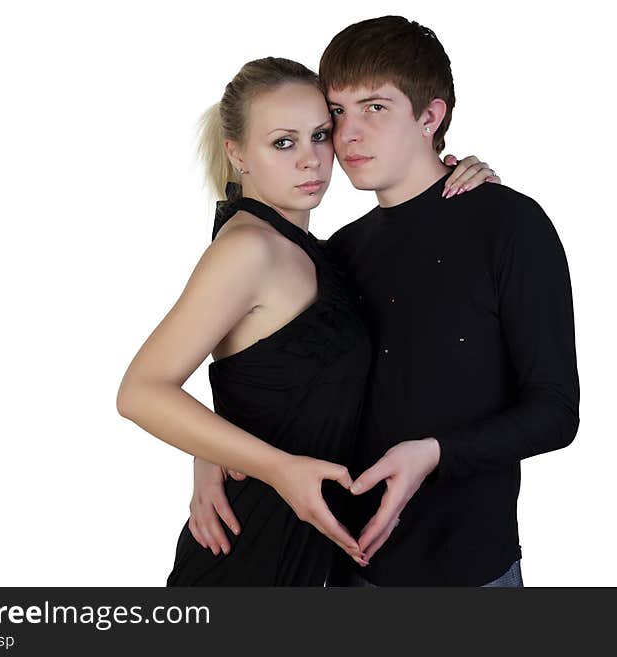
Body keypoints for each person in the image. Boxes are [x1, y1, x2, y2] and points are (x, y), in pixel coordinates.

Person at [190, 16, 580, 588]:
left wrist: (435, 453)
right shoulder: (338, 253)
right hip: (342, 568)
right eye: (337, 114)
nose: (347, 136)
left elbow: (555, 411)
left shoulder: (510, 224)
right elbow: (266, 373)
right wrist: (206, 456)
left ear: (431, 117)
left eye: (375, 108)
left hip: (470, 572)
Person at [116, 56, 496, 586]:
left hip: (311, 559)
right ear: (237, 153)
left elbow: (258, 381)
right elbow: (140, 391)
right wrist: (274, 468)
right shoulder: (249, 249)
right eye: (283, 142)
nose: (312, 161)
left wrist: (454, 180)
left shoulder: (317, 251)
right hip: (244, 556)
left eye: (320, 135)